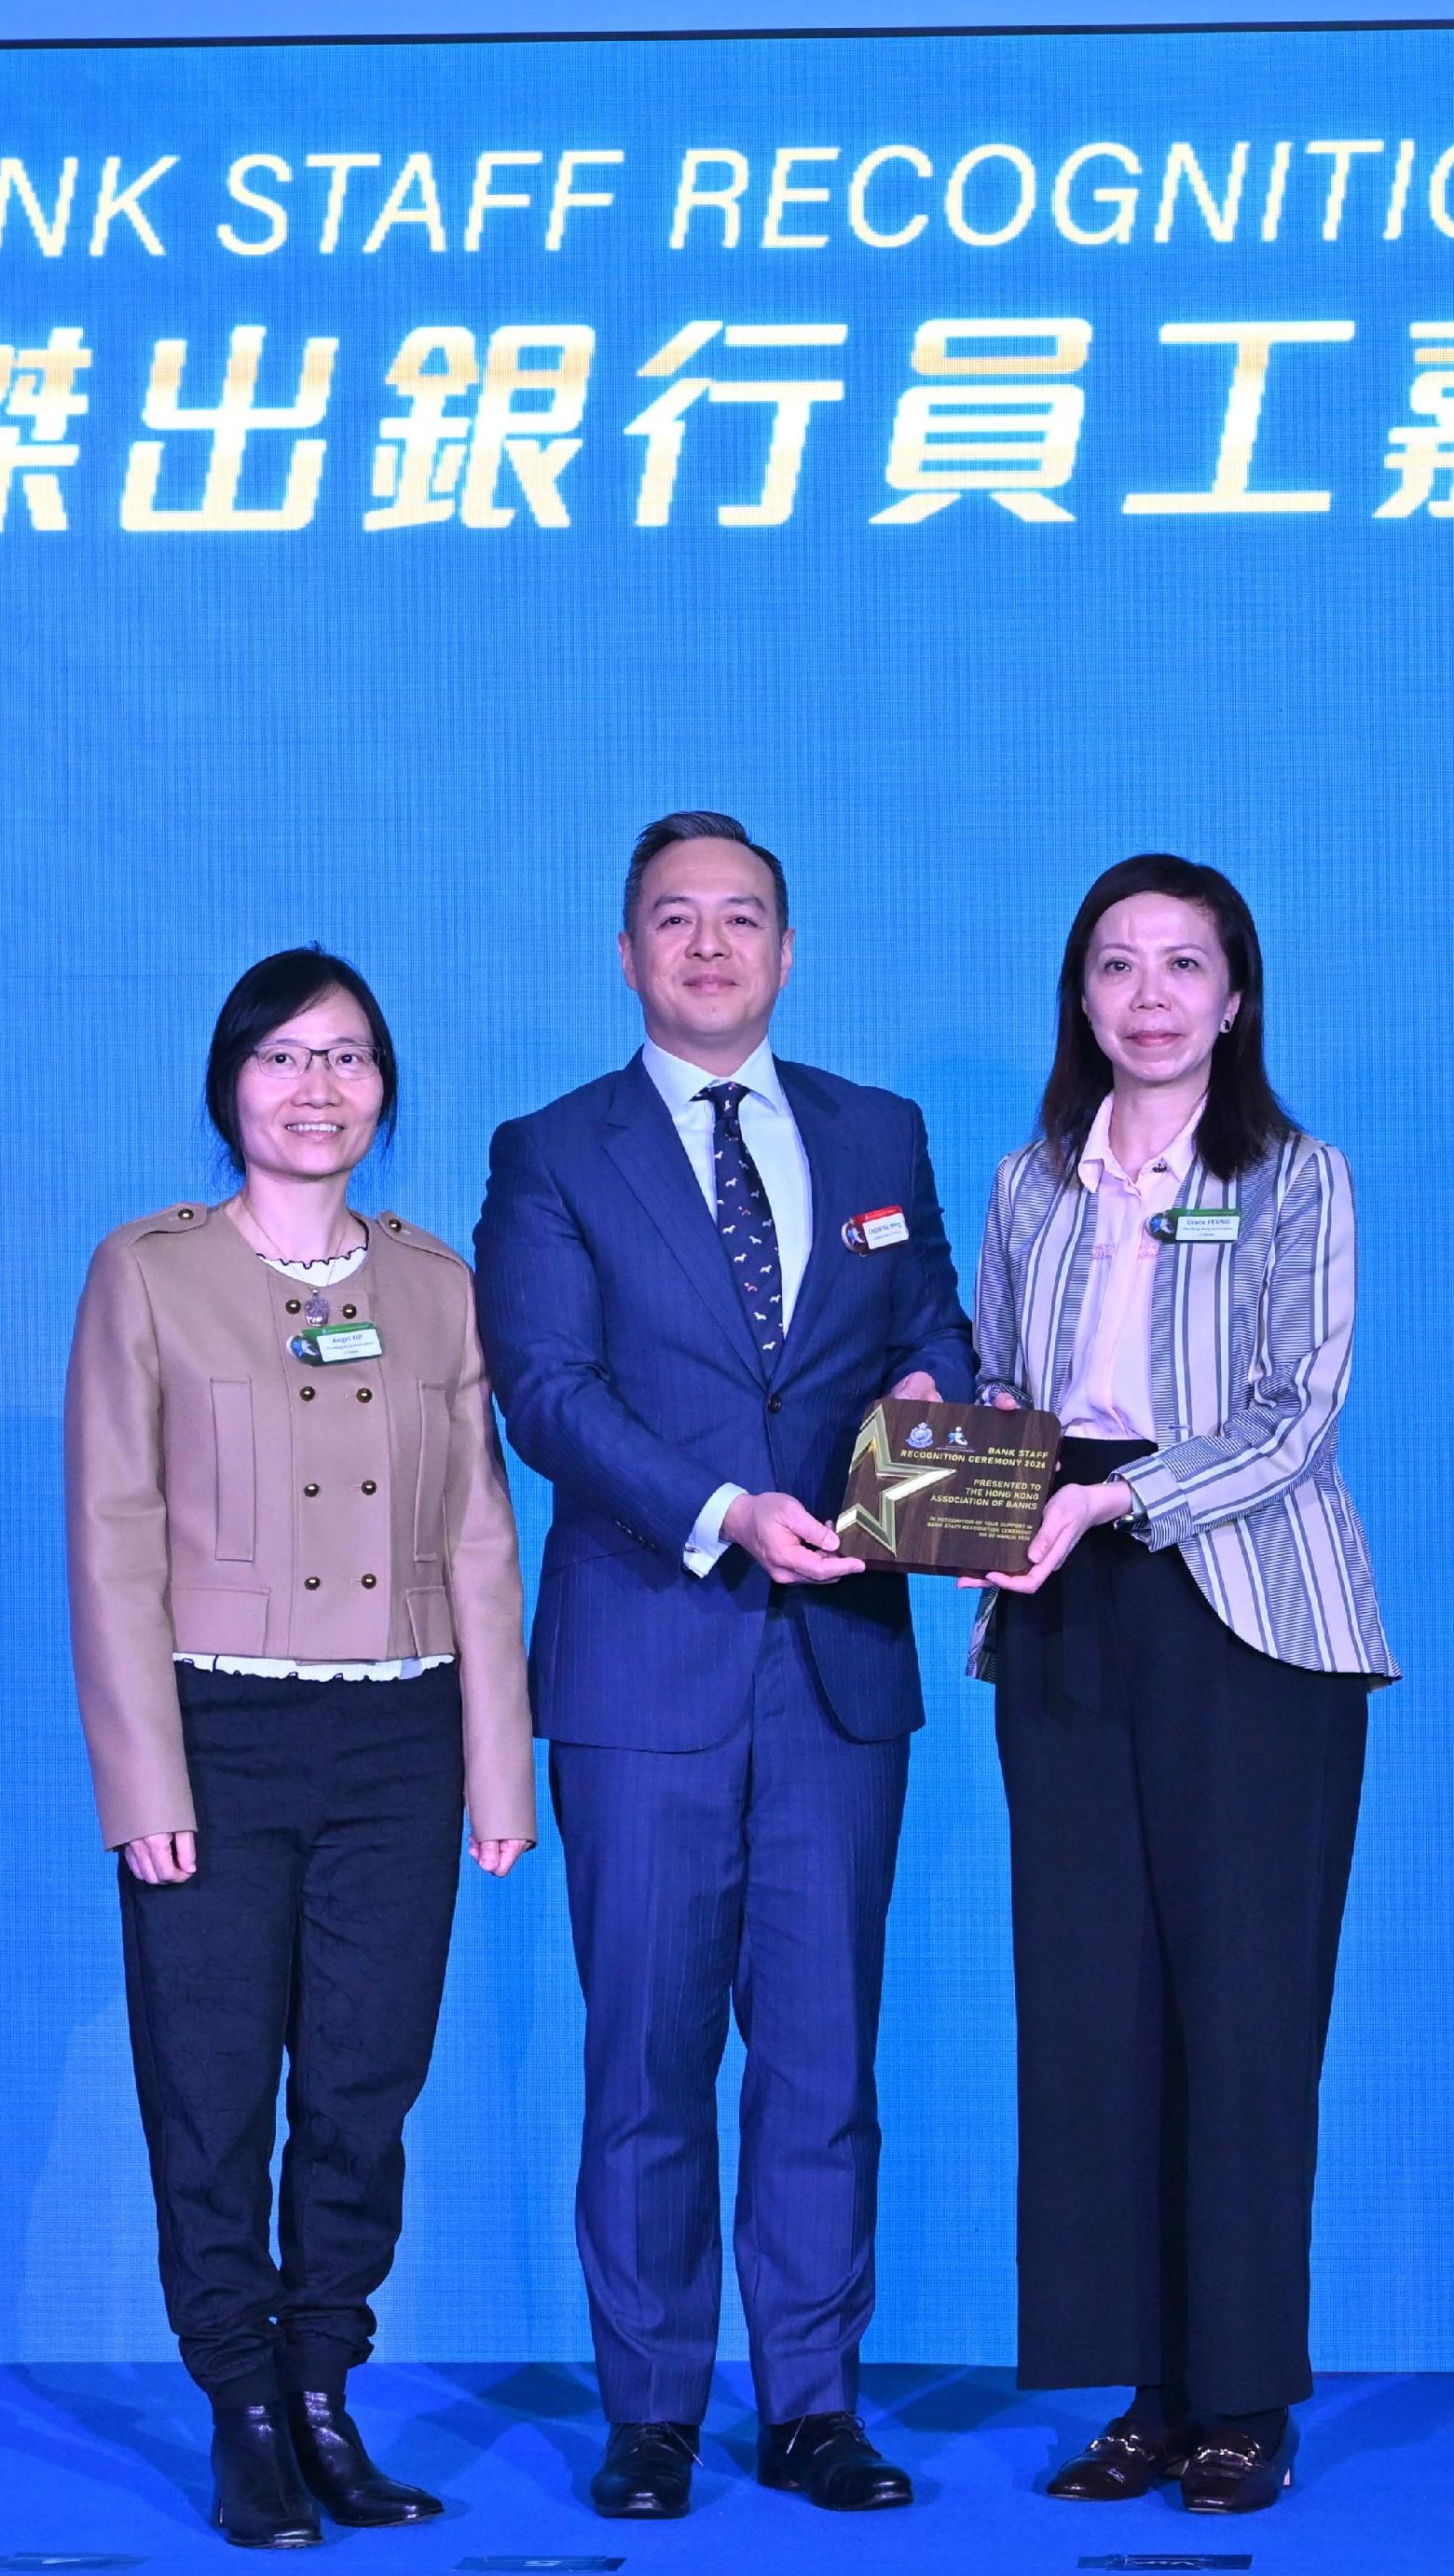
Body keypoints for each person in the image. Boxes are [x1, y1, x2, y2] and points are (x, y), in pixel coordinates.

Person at [474, 812, 974, 2520]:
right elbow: (546, 1390)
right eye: (675, 920)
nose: (710, 946)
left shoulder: (878, 1131)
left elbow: (930, 1329)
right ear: (626, 953)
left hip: (840, 1663)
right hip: (645, 1663)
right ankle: (653, 2415)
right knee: (648, 2057)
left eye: (742, 917)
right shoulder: (554, 1150)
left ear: (787, 947)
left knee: (826, 2058)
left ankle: (816, 2404)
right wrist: (722, 1510)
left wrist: (933, 1405)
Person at [66, 946, 539, 2550]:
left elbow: (482, 1538)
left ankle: (326, 2387)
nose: (316, 1087)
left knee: (362, 2085)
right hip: (218, 1729)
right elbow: (112, 1538)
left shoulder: (436, 1285)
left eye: (346, 1057)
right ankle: (243, 2408)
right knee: (209, 2088)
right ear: (229, 1086)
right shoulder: (148, 1273)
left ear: (384, 1089)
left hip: (400, 1735)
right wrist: (143, 1778)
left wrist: (497, 1766)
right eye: (281, 1056)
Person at [965, 856, 1396, 2515]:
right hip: (1061, 1598)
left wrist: (1115, 1498)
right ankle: (1145, 2391)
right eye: (1116, 965)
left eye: (1183, 965)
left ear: (1235, 997)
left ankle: (1244, 2398)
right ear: (1080, 996)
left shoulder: (1295, 1175)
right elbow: (1000, 1380)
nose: (1149, 996)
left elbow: (1299, 1413)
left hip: (1250, 1613)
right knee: (1094, 2008)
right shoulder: (1027, 1182)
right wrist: (974, 1494)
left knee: (1245, 2005)